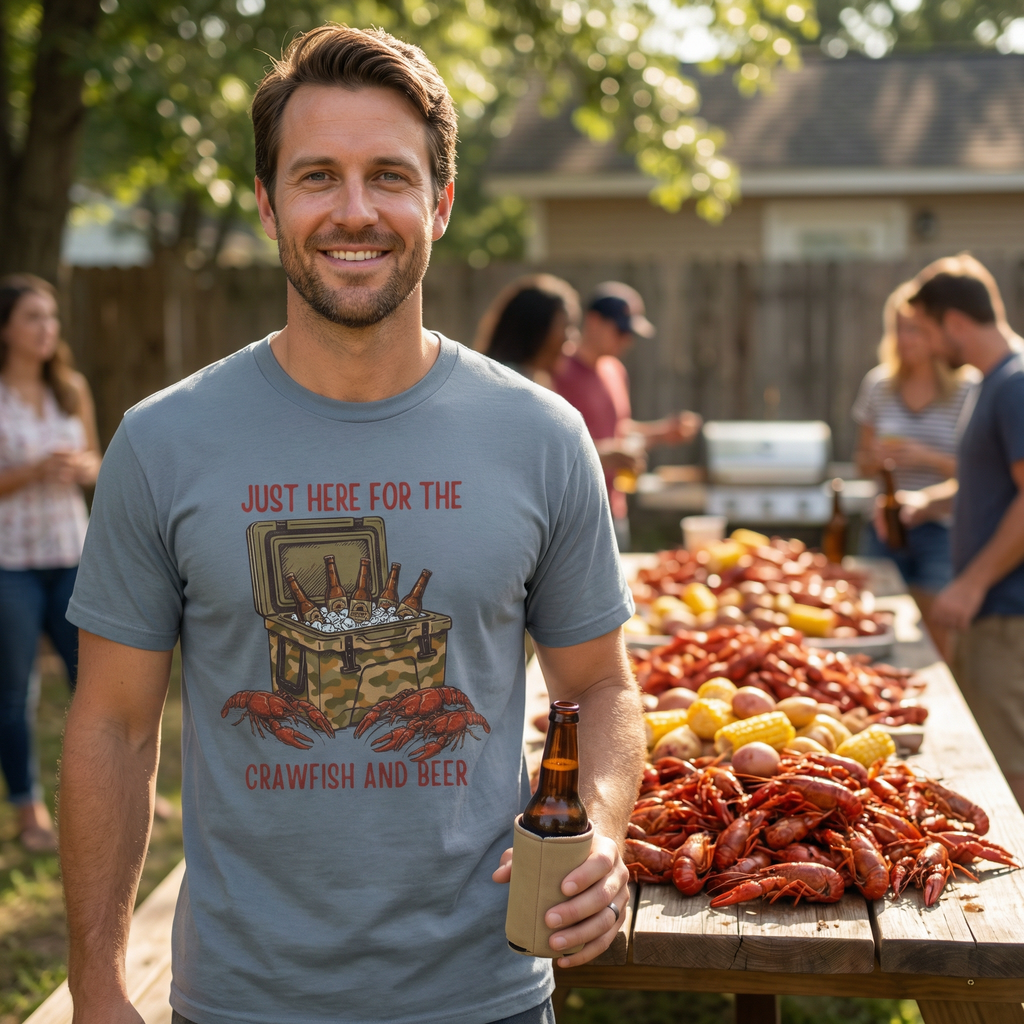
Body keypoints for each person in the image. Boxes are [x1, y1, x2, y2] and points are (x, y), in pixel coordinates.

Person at [59, 25, 645, 1024]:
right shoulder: (163, 442)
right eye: (317, 175)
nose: (355, 209)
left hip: (486, 993)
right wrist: (99, 988)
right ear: (267, 204)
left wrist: (599, 829)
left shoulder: (541, 436)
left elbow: (598, 684)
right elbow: (111, 725)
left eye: (390, 175)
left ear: (441, 202)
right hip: (242, 1001)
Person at [896, 254, 1024, 808]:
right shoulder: (987, 383)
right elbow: (992, 482)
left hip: (1006, 612)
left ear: (954, 322)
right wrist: (929, 501)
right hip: (987, 610)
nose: (925, 342)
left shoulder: (1015, 383)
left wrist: (970, 583)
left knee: (1009, 765)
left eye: (925, 328)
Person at [0, 275, 100, 853]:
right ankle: (28, 809)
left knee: (97, 684)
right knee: (15, 695)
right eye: (33, 317)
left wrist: (80, 468)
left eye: (52, 317)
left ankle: (117, 789)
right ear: (5, 330)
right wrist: (33, 471)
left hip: (72, 556)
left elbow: (95, 460)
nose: (47, 329)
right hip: (9, 564)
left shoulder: (71, 388)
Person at [853, 279, 976, 660]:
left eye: (915, 329)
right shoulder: (879, 385)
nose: (906, 339)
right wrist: (874, 460)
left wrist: (925, 456)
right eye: (899, 329)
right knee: (874, 616)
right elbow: (861, 460)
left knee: (936, 622)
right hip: (886, 521)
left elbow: (977, 471)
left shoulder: (966, 388)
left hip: (941, 525)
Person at [553, 282, 701, 550]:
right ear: (594, 322)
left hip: (613, 510)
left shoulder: (615, 371)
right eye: (621, 331)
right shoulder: (557, 371)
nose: (627, 340)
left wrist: (665, 432)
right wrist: (601, 454)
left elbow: (617, 429)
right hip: (571, 516)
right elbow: (546, 445)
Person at [475, 274, 580, 389]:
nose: (571, 337)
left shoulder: (529, 382)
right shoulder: (508, 386)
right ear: (537, 329)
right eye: (566, 326)